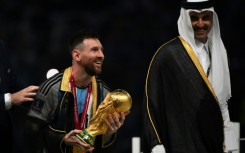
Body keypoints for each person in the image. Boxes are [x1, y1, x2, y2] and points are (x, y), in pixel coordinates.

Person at [142, 0, 238, 153]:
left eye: (205, 17)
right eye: (194, 18)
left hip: (214, 143)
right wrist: (156, 145)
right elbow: (151, 104)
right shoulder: (168, 55)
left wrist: (231, 144)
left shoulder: (220, 52)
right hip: (180, 143)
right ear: (185, 19)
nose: (200, 24)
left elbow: (221, 103)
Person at [24, 30, 125, 153]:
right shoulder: (51, 88)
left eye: (101, 50)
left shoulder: (104, 93)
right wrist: (62, 139)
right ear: (77, 55)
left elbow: (105, 147)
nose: (101, 55)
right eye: (94, 50)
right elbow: (30, 131)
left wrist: (108, 134)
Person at [0, 39, 39, 153]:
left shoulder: (1, 46)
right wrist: (11, 99)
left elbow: (14, 85)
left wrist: (42, 97)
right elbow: (14, 95)